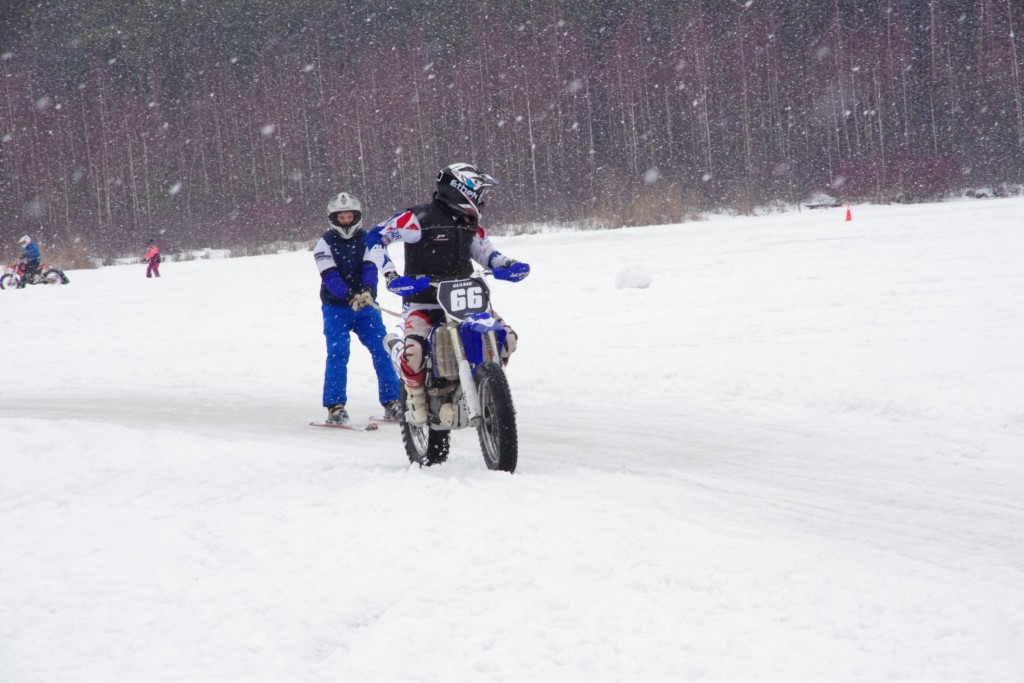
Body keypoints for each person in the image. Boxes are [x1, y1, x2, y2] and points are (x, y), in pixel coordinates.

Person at [365, 163, 530, 424]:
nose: (481, 200)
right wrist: (391, 276)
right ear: (462, 189)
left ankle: (488, 385)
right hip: (423, 301)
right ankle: (416, 397)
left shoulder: (469, 223)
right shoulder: (417, 218)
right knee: (414, 352)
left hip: (466, 298)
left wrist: (508, 265)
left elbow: (486, 253)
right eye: (479, 193)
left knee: (507, 338)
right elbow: (376, 236)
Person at [314, 191, 401, 426]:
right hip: (336, 308)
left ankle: (393, 401)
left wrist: (368, 290)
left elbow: (370, 268)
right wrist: (348, 294)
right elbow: (329, 275)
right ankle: (335, 406)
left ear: (357, 216)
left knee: (383, 349)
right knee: (338, 354)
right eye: (341, 217)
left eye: (349, 216)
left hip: (365, 307)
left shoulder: (367, 239)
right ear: (334, 218)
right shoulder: (324, 243)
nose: (346, 221)